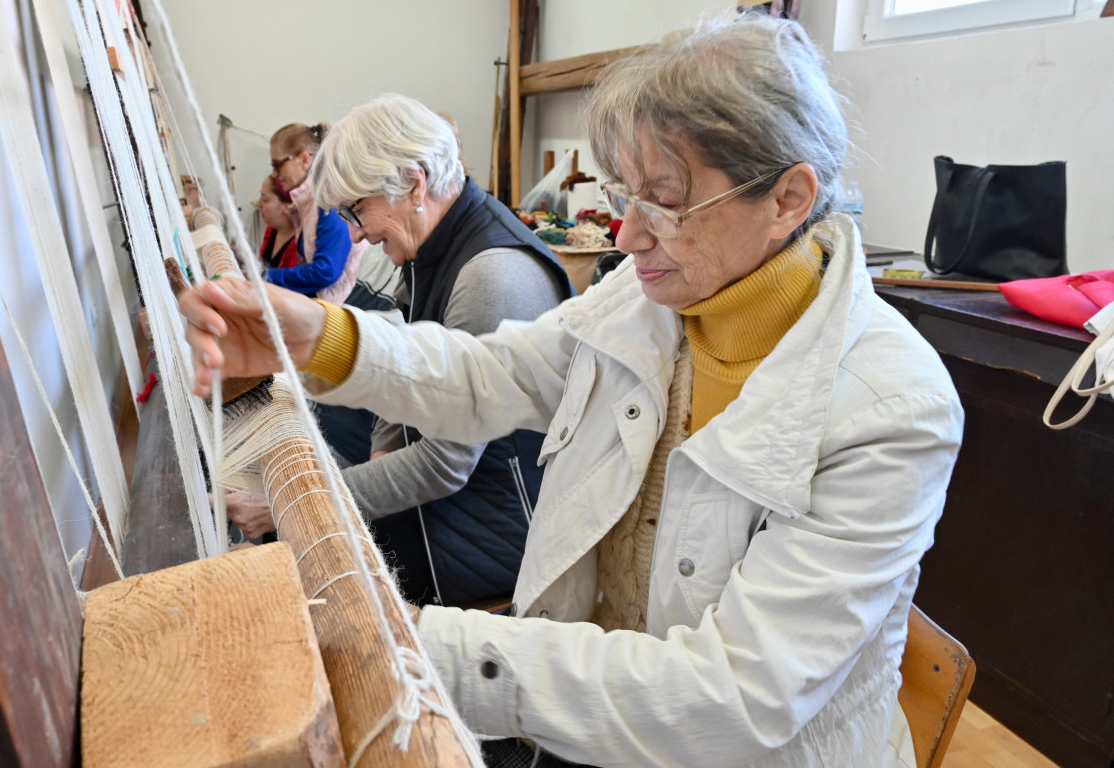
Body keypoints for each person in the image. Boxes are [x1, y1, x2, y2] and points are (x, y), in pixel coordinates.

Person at [182, 14, 963, 768]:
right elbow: (493, 374)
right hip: (585, 708)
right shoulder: (650, 299)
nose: (625, 236)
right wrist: (321, 336)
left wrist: (413, 636)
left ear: (788, 198)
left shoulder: (892, 411)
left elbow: (731, 701)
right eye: (625, 195)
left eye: (663, 199)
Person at [314, 93, 573, 606]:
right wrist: (381, 455)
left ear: (415, 183)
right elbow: (402, 349)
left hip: (499, 535)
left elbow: (445, 463)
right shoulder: (429, 244)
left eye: (357, 209)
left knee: (327, 579)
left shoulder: (492, 275)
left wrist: (316, 502)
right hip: (464, 503)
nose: (357, 234)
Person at [266, 121, 363, 303]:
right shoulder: (308, 203)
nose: (274, 174)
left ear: (304, 159)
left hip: (345, 306)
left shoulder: (328, 200)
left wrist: (267, 276)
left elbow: (326, 270)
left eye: (277, 164)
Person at [255, 175, 300, 270]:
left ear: (287, 207)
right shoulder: (272, 228)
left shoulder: (301, 246)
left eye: (265, 200)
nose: (258, 204)